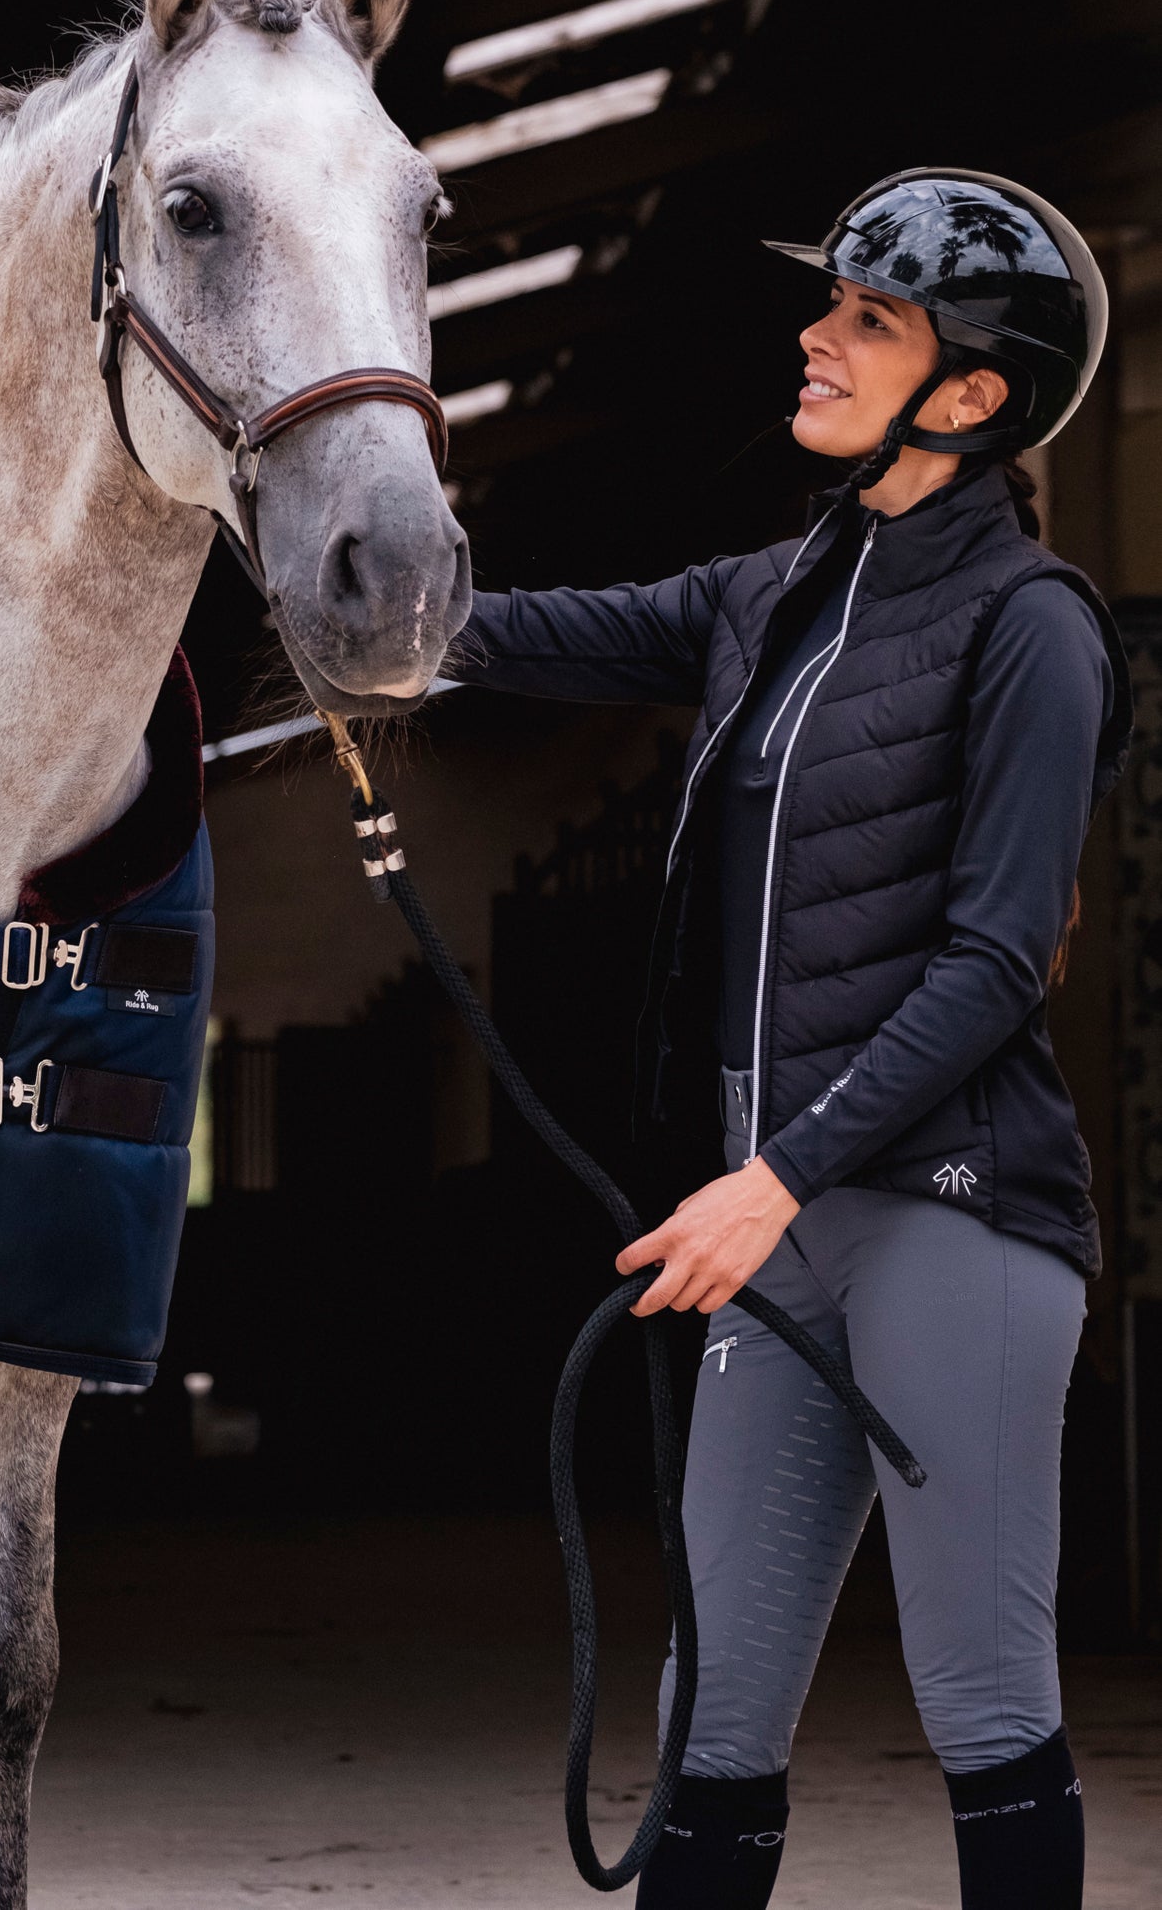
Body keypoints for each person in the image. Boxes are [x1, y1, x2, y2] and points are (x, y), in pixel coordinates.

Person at [448, 170, 1132, 1910]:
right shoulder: (776, 592)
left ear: (971, 396)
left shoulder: (1032, 627)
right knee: (711, 1714)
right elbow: (546, 635)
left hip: (950, 1216)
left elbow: (995, 963)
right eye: (829, 304)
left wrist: (775, 1178)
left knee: (981, 1688)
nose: (815, 336)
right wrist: (364, 605)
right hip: (774, 1224)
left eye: (869, 319)